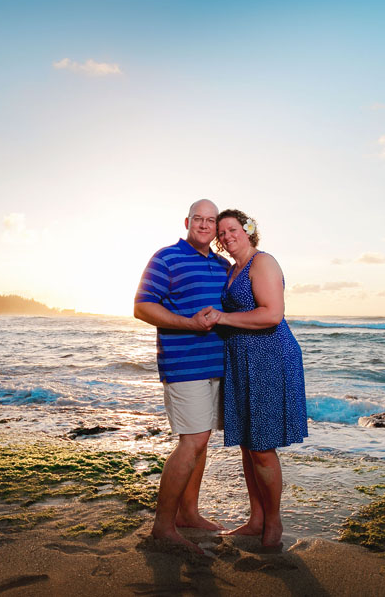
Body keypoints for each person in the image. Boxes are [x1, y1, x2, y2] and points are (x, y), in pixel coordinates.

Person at [205, 209, 307, 548]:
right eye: (221, 233)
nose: (226, 236)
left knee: (262, 447)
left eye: (232, 229)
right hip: (242, 359)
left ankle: (273, 523)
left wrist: (223, 316)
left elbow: (272, 314)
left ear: (248, 230)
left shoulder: (262, 262)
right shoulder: (233, 269)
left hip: (269, 357)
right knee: (249, 446)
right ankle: (256, 519)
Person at [134, 198, 230, 553]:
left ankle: (189, 513)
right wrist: (188, 323)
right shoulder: (166, 257)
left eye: (211, 220)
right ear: (187, 221)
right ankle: (163, 526)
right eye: (198, 219)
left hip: (217, 365)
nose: (204, 225)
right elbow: (142, 306)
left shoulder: (222, 263)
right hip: (183, 363)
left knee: (202, 441)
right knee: (191, 443)